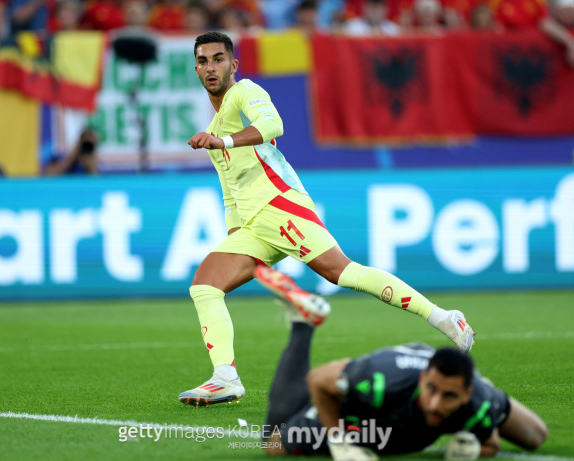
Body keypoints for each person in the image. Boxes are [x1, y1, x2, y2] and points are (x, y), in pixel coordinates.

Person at [179, 31, 474, 407]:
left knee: (344, 273)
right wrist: (234, 238)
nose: (210, 67)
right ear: (196, 69)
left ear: (232, 65)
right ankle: (225, 378)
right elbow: (229, 191)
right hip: (254, 225)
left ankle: (444, 318)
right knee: (205, 286)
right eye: (203, 61)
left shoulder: (244, 92)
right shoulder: (215, 128)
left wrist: (226, 142)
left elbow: (273, 126)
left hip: (281, 206)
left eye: (218, 59)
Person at [261, 302, 548, 459]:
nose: (435, 404)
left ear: (466, 394)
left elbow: (490, 444)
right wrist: (340, 443)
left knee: (535, 436)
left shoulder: (478, 402)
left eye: (448, 396)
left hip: (461, 390)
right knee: (274, 445)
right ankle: (303, 322)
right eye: (431, 390)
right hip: (364, 415)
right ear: (424, 379)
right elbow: (319, 379)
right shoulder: (380, 381)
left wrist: (471, 449)